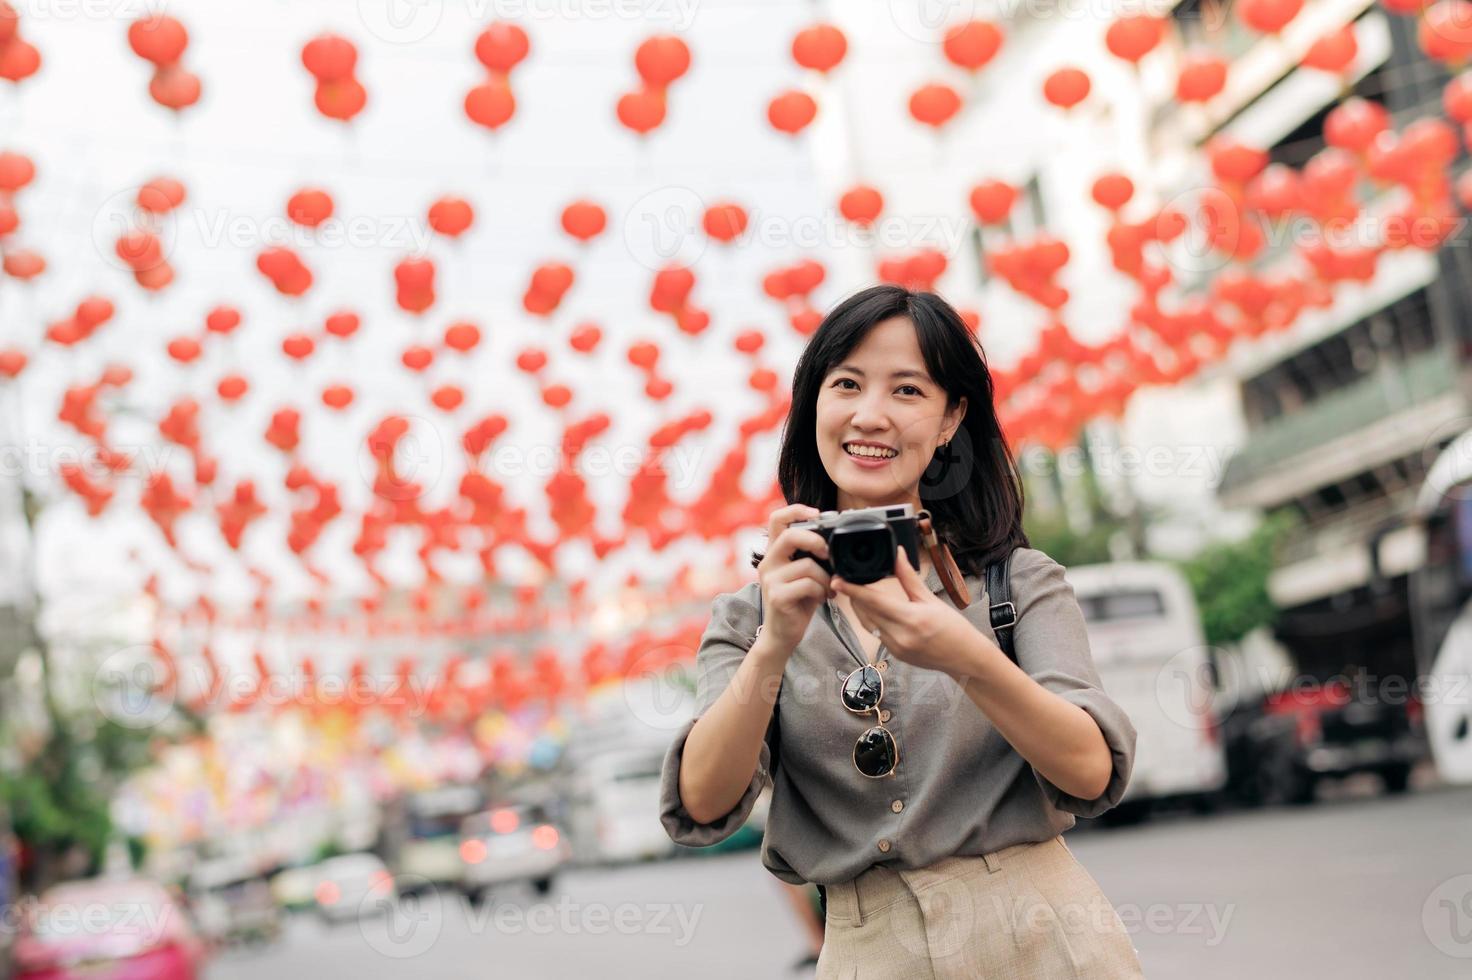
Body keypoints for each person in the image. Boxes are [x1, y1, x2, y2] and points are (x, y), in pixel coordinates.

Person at [659, 284, 1145, 977]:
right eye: (847, 384)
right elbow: (704, 804)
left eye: (908, 391)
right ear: (813, 404)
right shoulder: (754, 614)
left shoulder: (1018, 584)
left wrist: (967, 658)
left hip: (1045, 939)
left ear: (951, 419)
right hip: (867, 948)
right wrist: (775, 645)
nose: (870, 415)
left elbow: (1091, 770)